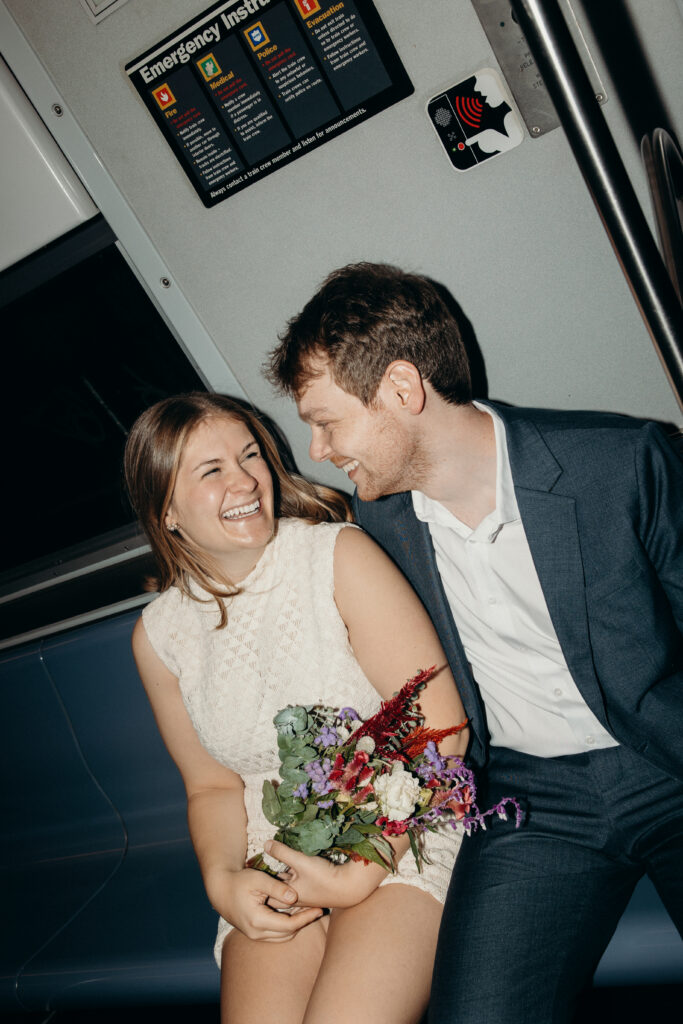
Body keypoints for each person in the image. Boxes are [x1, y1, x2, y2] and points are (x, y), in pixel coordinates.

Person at [267, 261, 683, 1023]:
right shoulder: (379, 530)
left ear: (401, 389)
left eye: (326, 419)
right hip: (534, 804)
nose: (319, 449)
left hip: (668, 765)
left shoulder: (620, 464)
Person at [123, 392, 469, 1024]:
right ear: (166, 510)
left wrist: (361, 871)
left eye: (251, 455)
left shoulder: (335, 555)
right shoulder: (159, 636)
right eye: (212, 470)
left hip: (403, 825)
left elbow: (441, 730)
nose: (247, 480)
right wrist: (223, 883)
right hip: (273, 852)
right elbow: (211, 787)